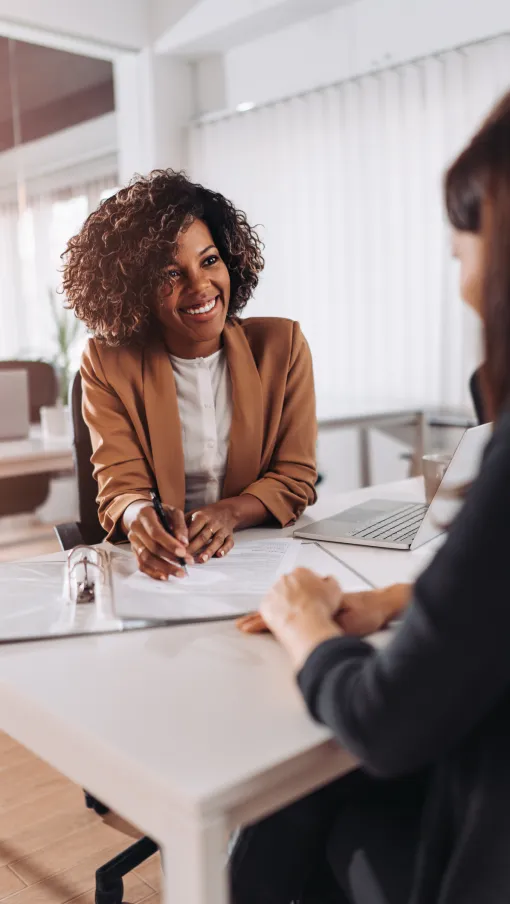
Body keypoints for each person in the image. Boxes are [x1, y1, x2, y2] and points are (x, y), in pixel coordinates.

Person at [234, 90, 510, 904]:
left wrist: (306, 625)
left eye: (463, 253)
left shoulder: (280, 345)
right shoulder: (115, 370)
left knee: (297, 800)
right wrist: (405, 596)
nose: (460, 283)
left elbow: (386, 723)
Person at [62, 170, 317, 579]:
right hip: (166, 569)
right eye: (171, 273)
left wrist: (229, 514)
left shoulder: (281, 346)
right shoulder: (107, 362)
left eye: (209, 260)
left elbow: (295, 476)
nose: (201, 287)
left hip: (258, 559)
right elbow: (120, 486)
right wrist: (140, 518)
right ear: (137, 288)